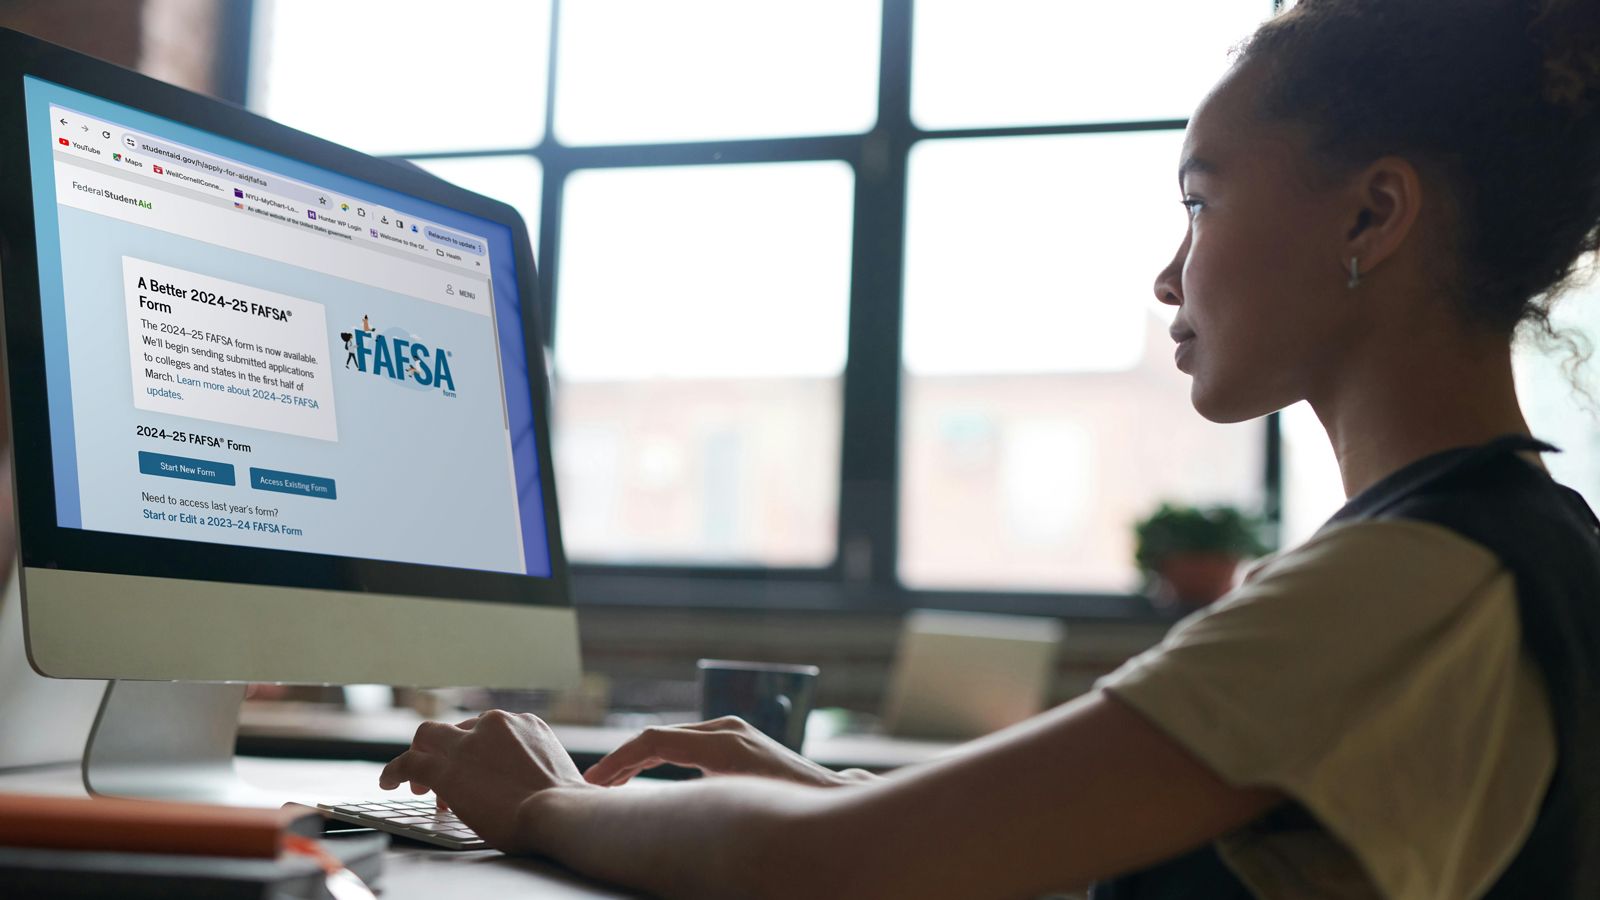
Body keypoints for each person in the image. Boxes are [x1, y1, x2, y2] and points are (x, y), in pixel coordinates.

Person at [378, 1, 1600, 896]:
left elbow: (819, 873)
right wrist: (832, 789)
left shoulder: (1408, 585)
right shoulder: (1523, 551)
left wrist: (539, 803)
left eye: (1200, 197)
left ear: (1371, 213)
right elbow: (1102, 866)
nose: (1169, 270)